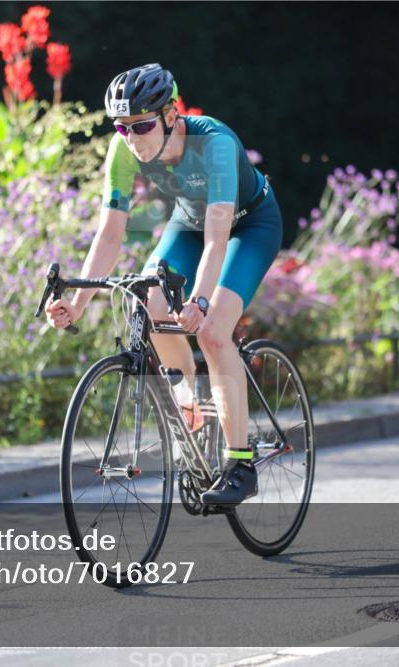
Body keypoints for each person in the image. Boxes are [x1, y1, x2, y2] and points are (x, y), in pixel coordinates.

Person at [45, 64, 283, 505]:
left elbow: (218, 237)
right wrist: (77, 303)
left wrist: (201, 300)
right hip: (189, 223)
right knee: (147, 302)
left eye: (142, 125)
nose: (132, 138)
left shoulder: (213, 144)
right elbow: (110, 234)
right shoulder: (122, 150)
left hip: (249, 226)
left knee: (212, 331)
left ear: (171, 115)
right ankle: (190, 402)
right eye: (122, 127)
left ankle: (240, 463)